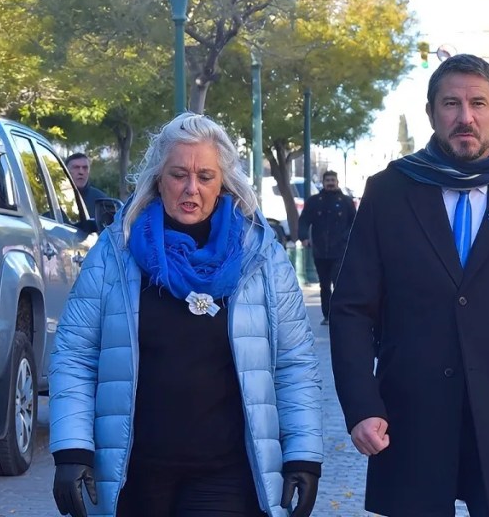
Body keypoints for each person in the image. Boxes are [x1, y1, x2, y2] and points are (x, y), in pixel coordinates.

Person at [329, 54, 489, 516]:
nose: (465, 117)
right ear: (431, 113)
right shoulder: (389, 191)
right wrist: (361, 405)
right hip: (409, 423)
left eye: (478, 104)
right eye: (451, 104)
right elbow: (351, 309)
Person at [49, 113, 323, 517]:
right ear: (159, 178)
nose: (191, 188)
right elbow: (75, 354)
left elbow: (294, 363)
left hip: (227, 474)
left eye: (205, 176)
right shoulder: (115, 251)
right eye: (179, 174)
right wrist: (71, 449)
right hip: (132, 474)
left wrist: (302, 454)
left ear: (223, 181)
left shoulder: (260, 255)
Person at [297, 170, 356, 325]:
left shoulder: (346, 202)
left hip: (340, 250)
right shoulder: (314, 201)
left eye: (333, 180)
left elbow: (355, 223)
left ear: (337, 182)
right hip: (320, 250)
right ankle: (327, 315)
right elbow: (304, 220)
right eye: (327, 180)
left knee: (339, 282)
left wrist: (347, 239)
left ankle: (340, 313)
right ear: (323, 182)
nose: (330, 182)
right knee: (324, 284)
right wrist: (303, 237)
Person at [66, 152, 111, 218]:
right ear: (65, 170)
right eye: (76, 167)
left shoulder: (102, 201)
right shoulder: (53, 196)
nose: (81, 172)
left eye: (85, 168)